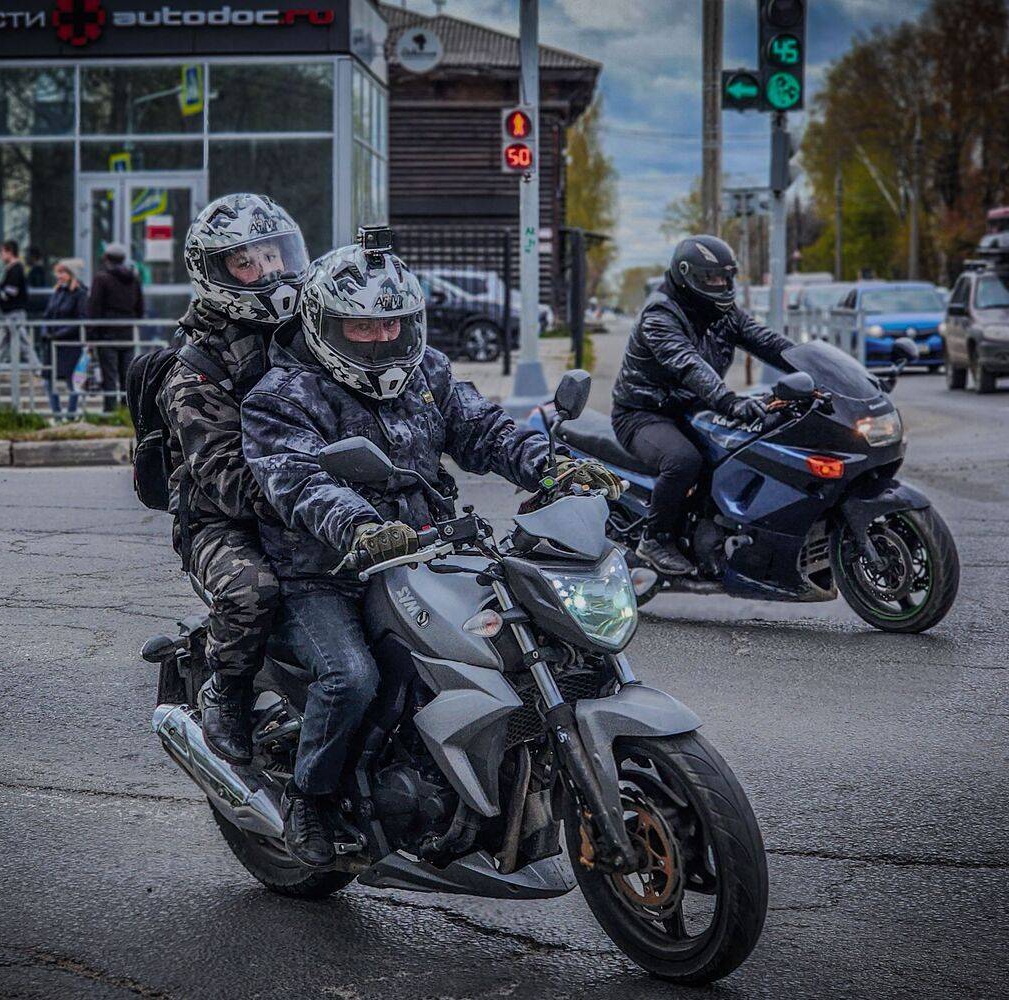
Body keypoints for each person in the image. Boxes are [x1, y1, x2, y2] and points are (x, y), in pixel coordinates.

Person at [242, 239, 621, 868]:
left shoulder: (427, 372)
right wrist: (361, 527)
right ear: (323, 324)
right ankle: (310, 800)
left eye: (393, 323)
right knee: (353, 678)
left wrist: (554, 468)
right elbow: (299, 481)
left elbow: (485, 430)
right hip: (323, 573)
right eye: (362, 326)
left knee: (520, 645)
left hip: (430, 553)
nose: (382, 338)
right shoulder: (281, 396)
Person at [162, 192, 310, 766]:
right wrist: (318, 501)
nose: (268, 272)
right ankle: (225, 689)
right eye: (247, 262)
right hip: (221, 522)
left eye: (274, 256)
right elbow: (227, 479)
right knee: (255, 591)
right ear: (214, 273)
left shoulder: (308, 333)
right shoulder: (195, 369)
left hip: (307, 499)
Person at [612, 234, 793, 576]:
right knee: (683, 460)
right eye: (711, 278)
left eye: (725, 277)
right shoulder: (660, 314)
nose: (720, 284)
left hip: (693, 409)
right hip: (644, 413)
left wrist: (818, 371)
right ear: (687, 275)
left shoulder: (723, 312)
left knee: (744, 448)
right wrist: (730, 402)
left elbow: (769, 343)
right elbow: (688, 364)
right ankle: (655, 538)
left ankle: (711, 533)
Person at [87, 242, 144, 412]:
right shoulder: (134, 278)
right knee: (126, 375)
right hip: (127, 332)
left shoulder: (101, 279)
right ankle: (127, 412)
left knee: (109, 376)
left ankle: (110, 411)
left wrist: (91, 335)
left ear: (106, 259)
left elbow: (94, 307)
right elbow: (140, 308)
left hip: (107, 333)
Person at [0, 239, 41, 386]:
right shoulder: (13, 269)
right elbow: (8, 289)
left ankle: (39, 373)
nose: (0, 256)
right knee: (3, 345)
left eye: (2, 252)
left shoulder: (16, 269)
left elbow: (11, 292)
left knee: (22, 344)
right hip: (9, 313)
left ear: (9, 252)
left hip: (14, 314)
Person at [40, 258, 87, 423]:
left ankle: (71, 415)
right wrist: (45, 331)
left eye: (62, 272)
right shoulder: (57, 292)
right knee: (48, 381)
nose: (58, 276)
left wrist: (59, 334)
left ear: (71, 274)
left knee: (72, 381)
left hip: (70, 345)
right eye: (57, 272)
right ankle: (58, 415)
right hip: (52, 344)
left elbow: (81, 319)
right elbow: (47, 316)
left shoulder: (80, 293)